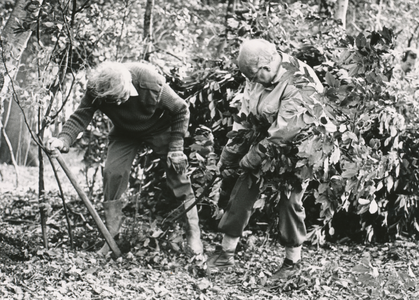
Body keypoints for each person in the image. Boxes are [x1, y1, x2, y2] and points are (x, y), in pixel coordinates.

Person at [46, 61, 203, 256]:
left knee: (177, 174)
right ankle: (112, 237)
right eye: (115, 100)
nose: (121, 103)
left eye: (123, 96)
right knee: (113, 172)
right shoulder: (96, 88)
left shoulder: (148, 80)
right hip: (125, 132)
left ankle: (193, 232)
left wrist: (176, 148)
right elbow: (81, 116)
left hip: (160, 128)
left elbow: (181, 109)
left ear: (129, 82)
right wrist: (63, 140)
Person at [207, 39, 333, 280]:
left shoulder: (299, 80)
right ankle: (226, 253)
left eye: (255, 76)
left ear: (266, 66)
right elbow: (244, 118)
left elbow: (284, 133)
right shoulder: (254, 75)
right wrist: (229, 156)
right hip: (265, 138)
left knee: (289, 200)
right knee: (243, 190)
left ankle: (291, 263)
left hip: (298, 149)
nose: (252, 81)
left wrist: (250, 158)